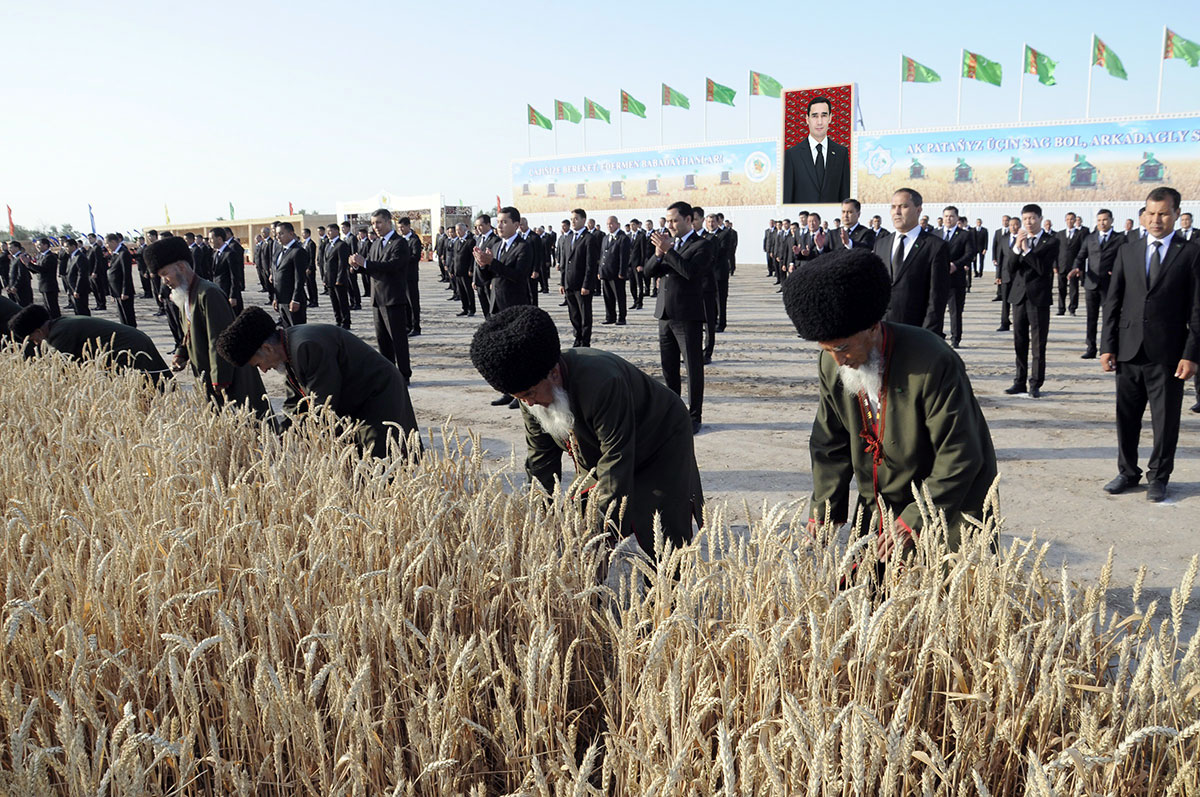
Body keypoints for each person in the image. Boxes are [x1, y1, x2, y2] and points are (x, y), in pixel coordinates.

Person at [782, 247, 998, 556]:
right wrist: (824, 512)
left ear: (872, 326)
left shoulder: (933, 360)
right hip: (881, 501)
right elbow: (829, 444)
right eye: (827, 349)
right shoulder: (831, 363)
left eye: (842, 347)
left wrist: (915, 518)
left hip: (946, 500)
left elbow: (960, 454)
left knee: (945, 590)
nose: (839, 360)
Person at [469, 305, 703, 558]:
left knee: (661, 535)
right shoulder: (529, 390)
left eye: (529, 395)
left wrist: (601, 533)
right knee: (580, 525)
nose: (528, 404)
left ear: (554, 373)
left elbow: (615, 460)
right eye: (519, 398)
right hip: (597, 446)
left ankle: (668, 590)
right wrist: (540, 523)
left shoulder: (603, 382)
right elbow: (540, 464)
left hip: (660, 438)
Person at [1100, 187, 1200, 503]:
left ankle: (1159, 477)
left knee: (1165, 419)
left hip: (1168, 353)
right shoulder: (1128, 250)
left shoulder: (1191, 253)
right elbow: (1113, 302)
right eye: (1151, 213)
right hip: (1128, 350)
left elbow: (1198, 309)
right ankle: (1128, 472)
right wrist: (1107, 345)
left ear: (1176, 215)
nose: (1156, 220)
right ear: (1143, 215)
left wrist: (1191, 354)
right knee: (1126, 417)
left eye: (1164, 214)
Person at [215, 307, 422, 459]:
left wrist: (306, 442)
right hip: (358, 399)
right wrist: (281, 435)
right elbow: (295, 402)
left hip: (378, 395)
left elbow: (323, 406)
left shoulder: (306, 346)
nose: (263, 370)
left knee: (379, 461)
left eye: (258, 363)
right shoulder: (287, 348)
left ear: (267, 348)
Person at [141, 236, 269, 415]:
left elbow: (219, 339)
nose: (164, 281)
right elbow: (189, 331)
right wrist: (182, 354)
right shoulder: (185, 294)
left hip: (229, 378)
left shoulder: (208, 293)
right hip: (208, 376)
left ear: (181, 266)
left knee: (246, 423)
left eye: (165, 274)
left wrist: (219, 381)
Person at [645, 200, 709, 434]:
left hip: (687, 315)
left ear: (689, 220)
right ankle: (673, 411)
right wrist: (658, 254)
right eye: (668, 220)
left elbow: (689, 272)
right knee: (668, 368)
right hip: (665, 314)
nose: (670, 225)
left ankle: (694, 416)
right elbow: (650, 271)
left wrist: (669, 250)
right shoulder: (669, 245)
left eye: (675, 220)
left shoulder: (702, 244)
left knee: (693, 367)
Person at [9, 304, 169, 382]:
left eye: (32, 339)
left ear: (37, 331)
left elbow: (62, 369)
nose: (36, 344)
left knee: (142, 391)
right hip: (134, 343)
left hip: (130, 349)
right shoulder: (60, 324)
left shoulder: (60, 332)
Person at [474, 206, 534, 408]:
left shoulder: (524, 247)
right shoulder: (496, 245)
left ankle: (523, 393)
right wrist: (483, 265)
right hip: (496, 305)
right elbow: (487, 278)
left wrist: (492, 263)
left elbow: (518, 275)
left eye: (504, 222)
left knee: (518, 352)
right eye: (498, 222)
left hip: (515, 305)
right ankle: (508, 391)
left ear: (516, 225)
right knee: (502, 352)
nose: (499, 226)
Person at [871, 188, 948, 332]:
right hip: (881, 331)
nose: (897, 212)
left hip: (914, 331)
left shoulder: (935, 246)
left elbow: (936, 298)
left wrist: (928, 336)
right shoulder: (881, 244)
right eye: (893, 207)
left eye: (904, 206)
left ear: (918, 210)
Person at [350, 209, 412, 380]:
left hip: (393, 298)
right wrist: (357, 266)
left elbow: (392, 266)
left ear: (388, 222)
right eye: (373, 223)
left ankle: (404, 374)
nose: (375, 226)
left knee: (398, 340)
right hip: (377, 298)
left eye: (378, 222)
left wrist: (366, 263)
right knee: (382, 340)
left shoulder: (399, 243)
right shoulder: (376, 243)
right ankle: (389, 373)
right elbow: (370, 267)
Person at [1005, 204, 1059, 398]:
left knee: (1038, 343)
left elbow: (1042, 269)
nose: (1029, 222)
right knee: (1019, 341)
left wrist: (1028, 250)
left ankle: (1035, 383)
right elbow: (1010, 268)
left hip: (1039, 298)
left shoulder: (1051, 241)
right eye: (1025, 218)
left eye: (1032, 218)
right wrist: (1018, 249)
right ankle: (1019, 381)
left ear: (1039, 218)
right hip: (1019, 297)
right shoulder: (1018, 240)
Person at [1070, 209, 1121, 359]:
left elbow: (1124, 258)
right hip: (1091, 283)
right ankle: (1090, 347)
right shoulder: (1090, 238)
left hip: (1110, 284)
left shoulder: (1120, 239)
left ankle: (1107, 348)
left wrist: (1117, 271)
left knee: (1109, 318)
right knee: (1091, 318)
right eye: (1099, 220)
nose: (1102, 223)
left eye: (1104, 220)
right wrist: (1076, 267)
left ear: (1111, 221)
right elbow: (1081, 256)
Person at [782, 95, 850, 204]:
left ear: (830, 118)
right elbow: (787, 198)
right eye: (814, 116)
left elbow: (845, 196)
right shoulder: (792, 155)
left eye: (824, 116)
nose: (819, 122)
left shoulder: (841, 153)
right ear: (807, 119)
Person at [561, 208, 600, 347]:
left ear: (583, 220)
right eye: (571, 219)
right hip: (569, 283)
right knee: (573, 314)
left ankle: (585, 340)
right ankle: (577, 337)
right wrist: (562, 282)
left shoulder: (589, 238)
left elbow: (591, 264)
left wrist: (586, 285)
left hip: (581, 284)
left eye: (576, 219)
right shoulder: (569, 237)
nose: (573, 222)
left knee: (584, 314)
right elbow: (565, 261)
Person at [940, 206, 976, 348]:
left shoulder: (964, 235)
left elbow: (969, 254)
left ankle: (955, 337)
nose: (948, 219)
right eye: (946, 216)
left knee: (955, 311)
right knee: (936, 310)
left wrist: (956, 265)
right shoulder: (935, 234)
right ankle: (937, 335)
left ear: (957, 218)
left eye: (951, 216)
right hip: (938, 281)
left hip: (956, 280)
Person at [270, 221, 308, 327]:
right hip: (281, 300)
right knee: (286, 333)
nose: (278, 237)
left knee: (297, 331)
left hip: (293, 300)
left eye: (281, 234)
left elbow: (299, 278)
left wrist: (296, 299)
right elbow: (276, 277)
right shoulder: (279, 252)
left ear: (291, 234)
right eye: (276, 234)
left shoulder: (298, 252)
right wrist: (275, 298)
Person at [598, 216, 632, 326]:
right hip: (606, 272)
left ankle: (622, 317)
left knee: (620, 297)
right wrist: (600, 271)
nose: (609, 226)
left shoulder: (623, 238)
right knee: (608, 296)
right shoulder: (605, 237)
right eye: (608, 224)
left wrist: (622, 272)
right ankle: (610, 316)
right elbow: (602, 255)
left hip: (617, 274)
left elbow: (624, 257)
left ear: (617, 224)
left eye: (612, 223)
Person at [322, 223, 354, 329]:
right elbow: (326, 263)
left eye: (330, 231)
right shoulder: (328, 245)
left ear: (336, 231)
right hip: (329, 279)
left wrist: (339, 278)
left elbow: (342, 263)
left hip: (338, 279)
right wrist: (325, 278)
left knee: (342, 302)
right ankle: (338, 320)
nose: (328, 233)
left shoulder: (342, 245)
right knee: (334, 302)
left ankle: (346, 322)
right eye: (328, 231)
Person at [1055, 212, 1087, 316]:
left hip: (1074, 266)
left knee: (1074, 289)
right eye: (1068, 219)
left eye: (1072, 219)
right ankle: (1061, 308)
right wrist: (1055, 265)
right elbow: (1055, 251)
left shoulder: (1080, 234)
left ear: (1075, 220)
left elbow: (1082, 251)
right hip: (1062, 266)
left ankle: (1072, 308)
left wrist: (1079, 268)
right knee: (1061, 289)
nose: (1070, 221)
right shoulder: (1059, 234)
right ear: (1065, 220)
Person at [208, 227, 244, 315]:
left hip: (228, 294)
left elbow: (234, 276)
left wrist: (233, 296)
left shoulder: (230, 254)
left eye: (211, 239)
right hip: (219, 293)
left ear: (219, 239)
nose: (209, 241)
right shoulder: (216, 254)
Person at [994, 216, 1021, 332]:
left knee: (1017, 302)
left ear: (1019, 226)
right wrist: (998, 276)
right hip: (1005, 275)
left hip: (1018, 276)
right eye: (1011, 225)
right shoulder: (1004, 239)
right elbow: (1000, 258)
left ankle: (1019, 324)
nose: (1013, 227)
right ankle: (1004, 322)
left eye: (1015, 225)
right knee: (1005, 301)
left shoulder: (1023, 239)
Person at [398, 217, 422, 336]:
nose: (401, 229)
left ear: (408, 226)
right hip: (401, 276)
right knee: (405, 303)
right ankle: (407, 326)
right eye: (399, 228)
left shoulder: (414, 240)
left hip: (411, 276)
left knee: (413, 303)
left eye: (402, 227)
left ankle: (416, 327)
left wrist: (402, 260)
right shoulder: (400, 240)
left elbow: (415, 257)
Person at [105, 233, 136, 327]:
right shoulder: (115, 254)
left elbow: (126, 274)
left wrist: (125, 291)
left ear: (113, 242)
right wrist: (112, 293)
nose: (106, 246)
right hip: (117, 291)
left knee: (128, 317)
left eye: (107, 243)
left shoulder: (123, 253)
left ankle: (133, 335)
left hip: (124, 292)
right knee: (122, 317)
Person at [452, 222, 476, 317]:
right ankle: (465, 308)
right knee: (461, 291)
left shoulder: (470, 241)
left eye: (459, 230)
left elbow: (472, 257)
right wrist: (452, 269)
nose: (457, 232)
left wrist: (471, 269)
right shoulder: (457, 241)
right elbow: (454, 256)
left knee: (468, 291)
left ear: (464, 230)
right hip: (458, 270)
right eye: (456, 230)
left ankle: (471, 309)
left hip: (466, 271)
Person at [63, 238, 90, 316]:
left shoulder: (80, 257)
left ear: (73, 246)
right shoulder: (71, 257)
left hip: (79, 290)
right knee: (77, 311)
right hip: (72, 289)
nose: (65, 249)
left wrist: (77, 290)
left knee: (82, 311)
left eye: (67, 247)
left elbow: (81, 275)